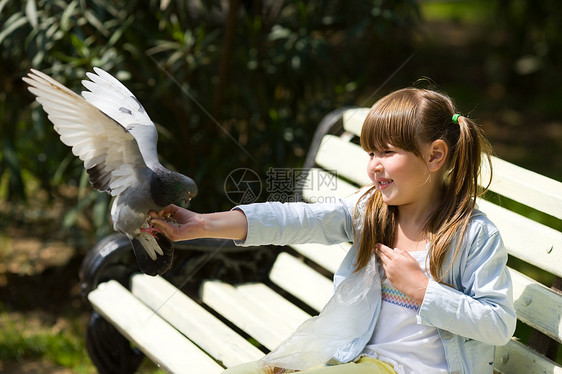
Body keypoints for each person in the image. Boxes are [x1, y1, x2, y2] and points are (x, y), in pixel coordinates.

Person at [149, 88, 516, 374]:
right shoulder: (372, 211)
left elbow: (499, 324)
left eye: (386, 152)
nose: (373, 166)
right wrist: (202, 224)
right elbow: (295, 219)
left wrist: (423, 290)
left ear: (435, 156)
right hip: (354, 359)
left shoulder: (473, 236)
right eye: (370, 153)